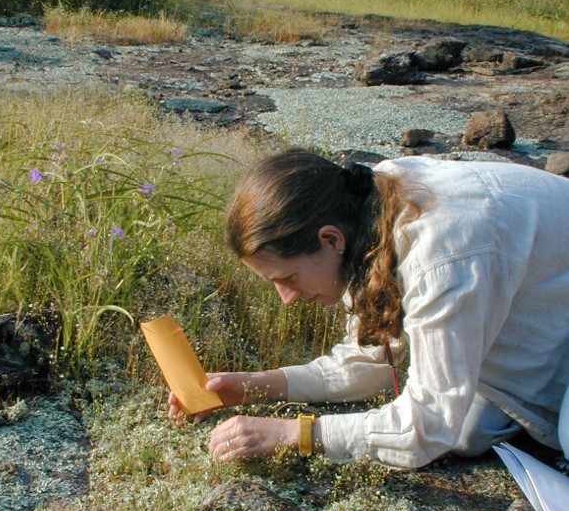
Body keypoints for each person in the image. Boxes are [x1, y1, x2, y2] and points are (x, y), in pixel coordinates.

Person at [168, 149, 569, 469]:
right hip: (545, 312)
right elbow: (370, 362)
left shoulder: (441, 255)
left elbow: (427, 425)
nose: (286, 299)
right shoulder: (363, 207)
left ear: (330, 240)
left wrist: (291, 434)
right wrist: (251, 385)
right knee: (465, 433)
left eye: (287, 278)